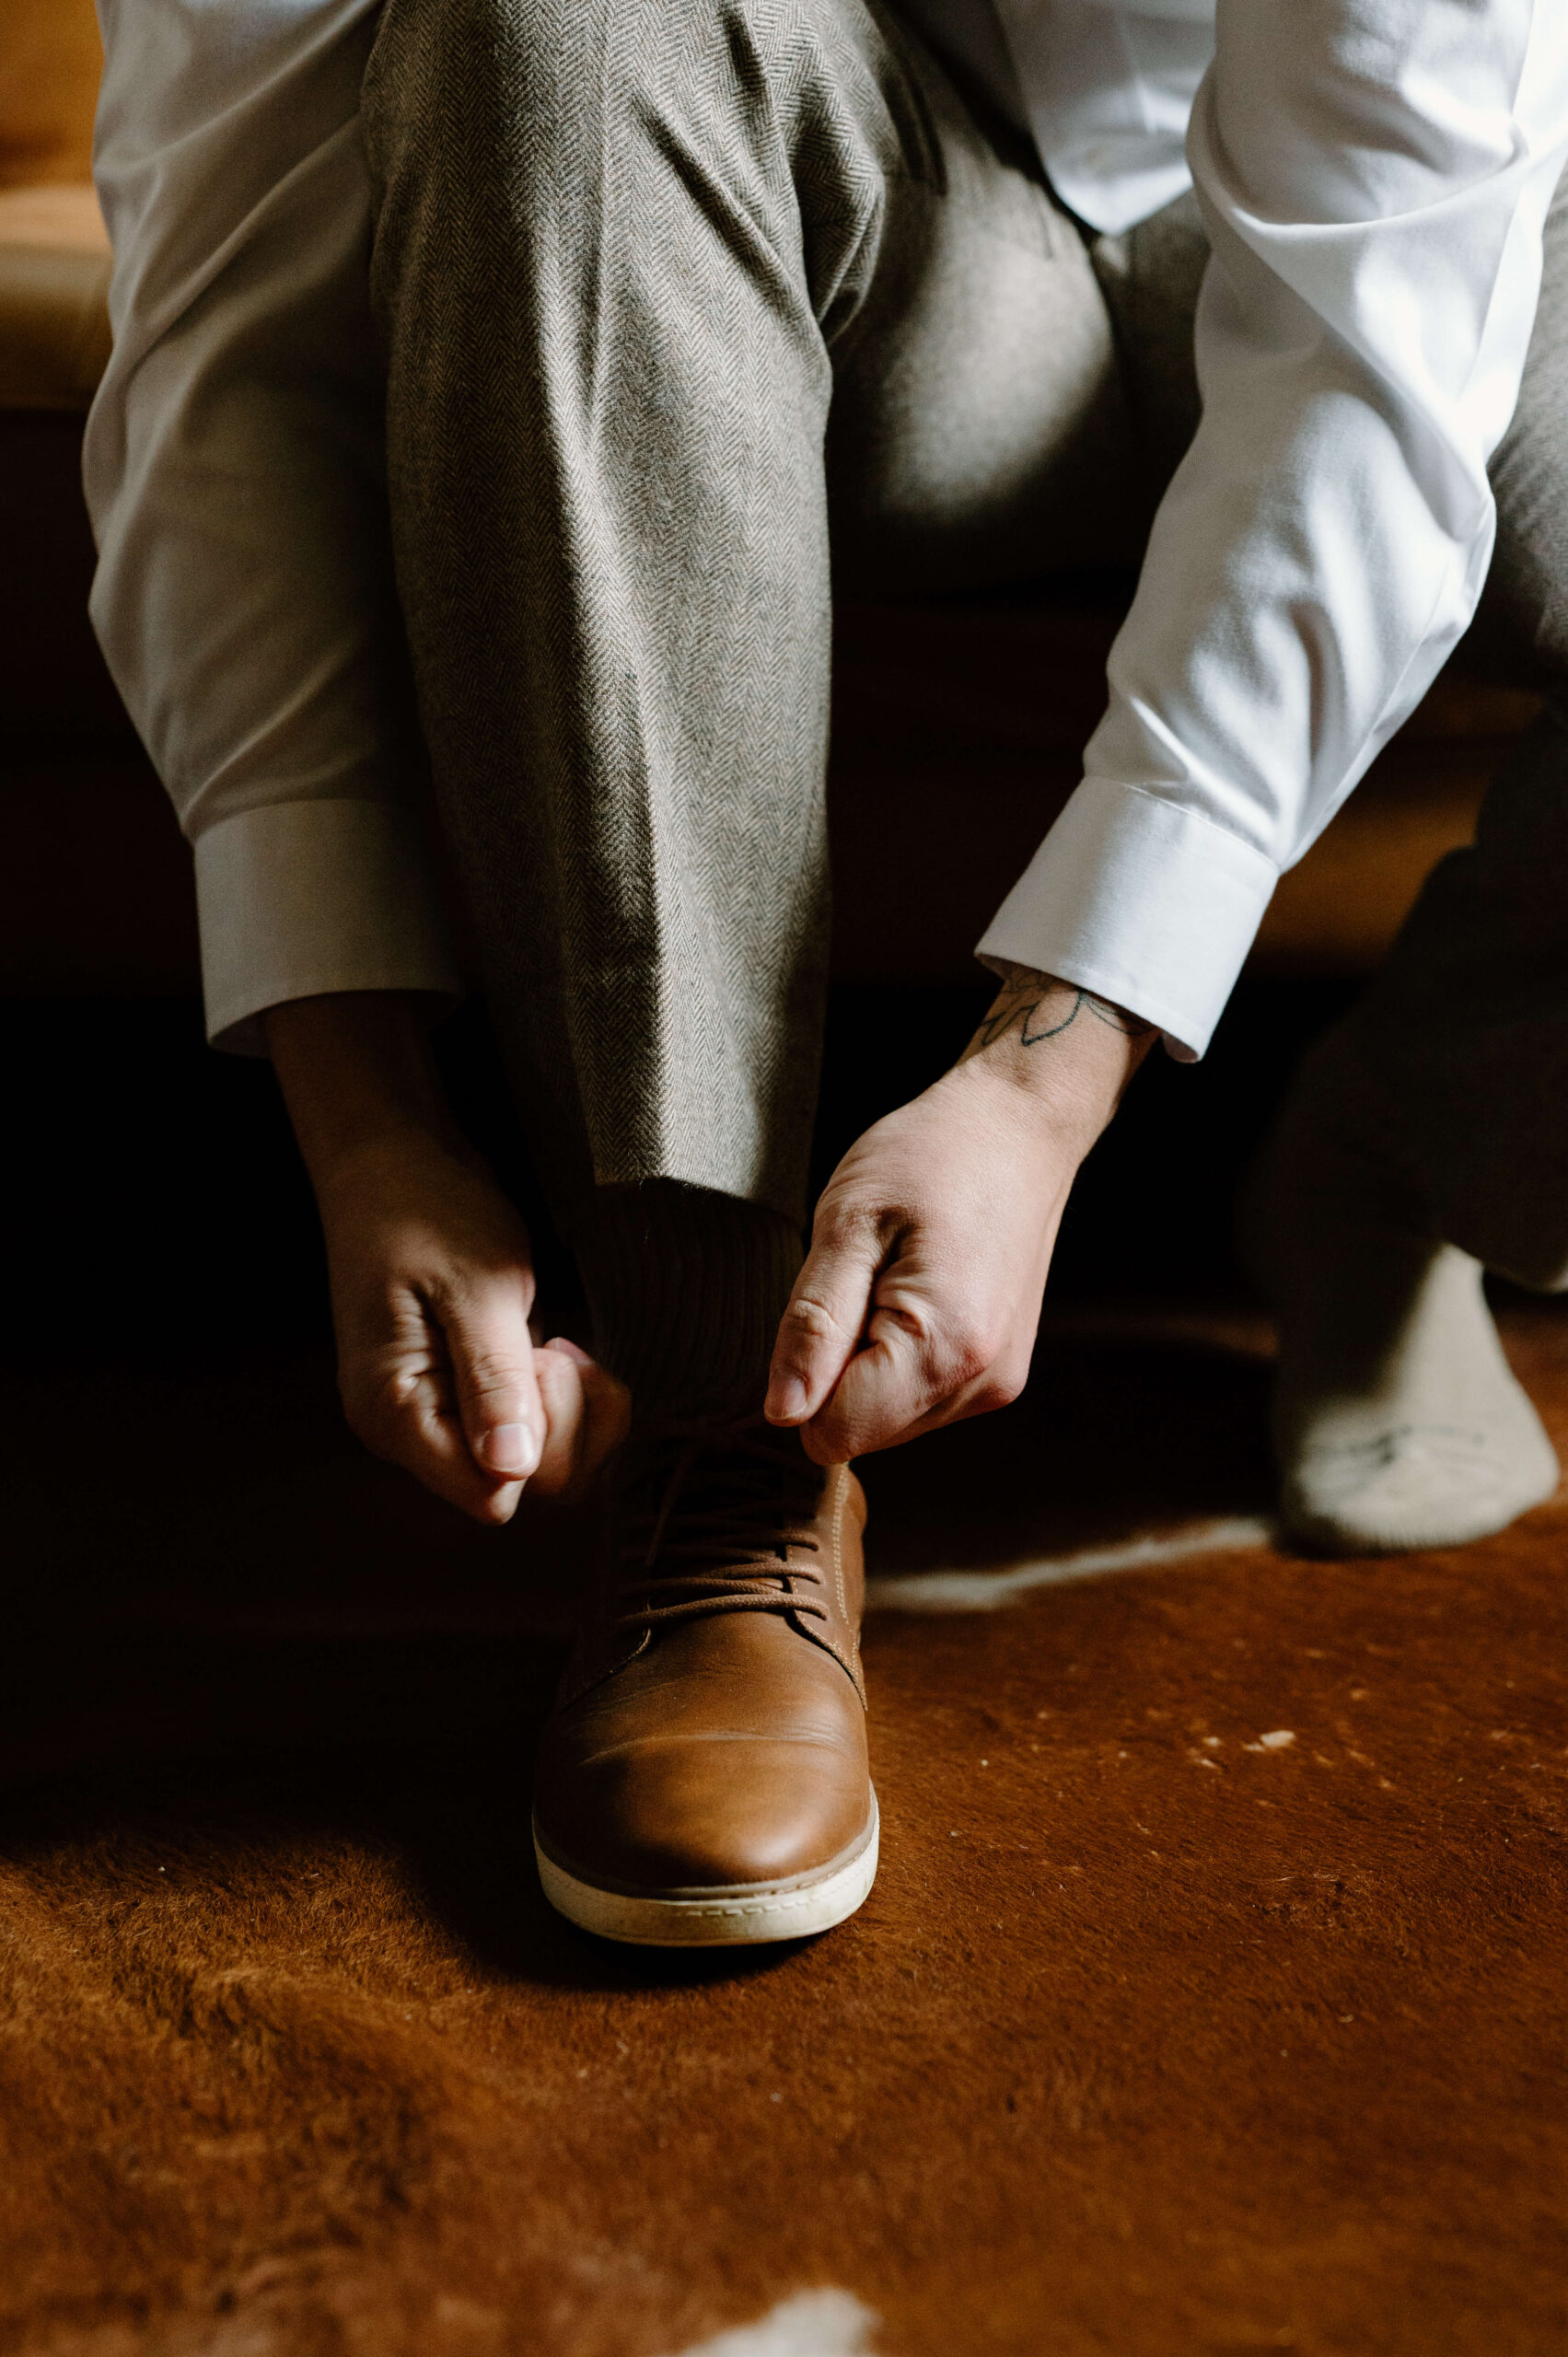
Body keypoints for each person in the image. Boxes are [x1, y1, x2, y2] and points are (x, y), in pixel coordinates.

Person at [85, 0, 1568, 1945]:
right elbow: (233, 301)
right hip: (879, 225)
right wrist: (364, 1113)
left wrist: (1053, 1070)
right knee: (549, 27)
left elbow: (1371, 338)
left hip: (1467, 228)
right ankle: (721, 1402)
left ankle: (1410, 1135)